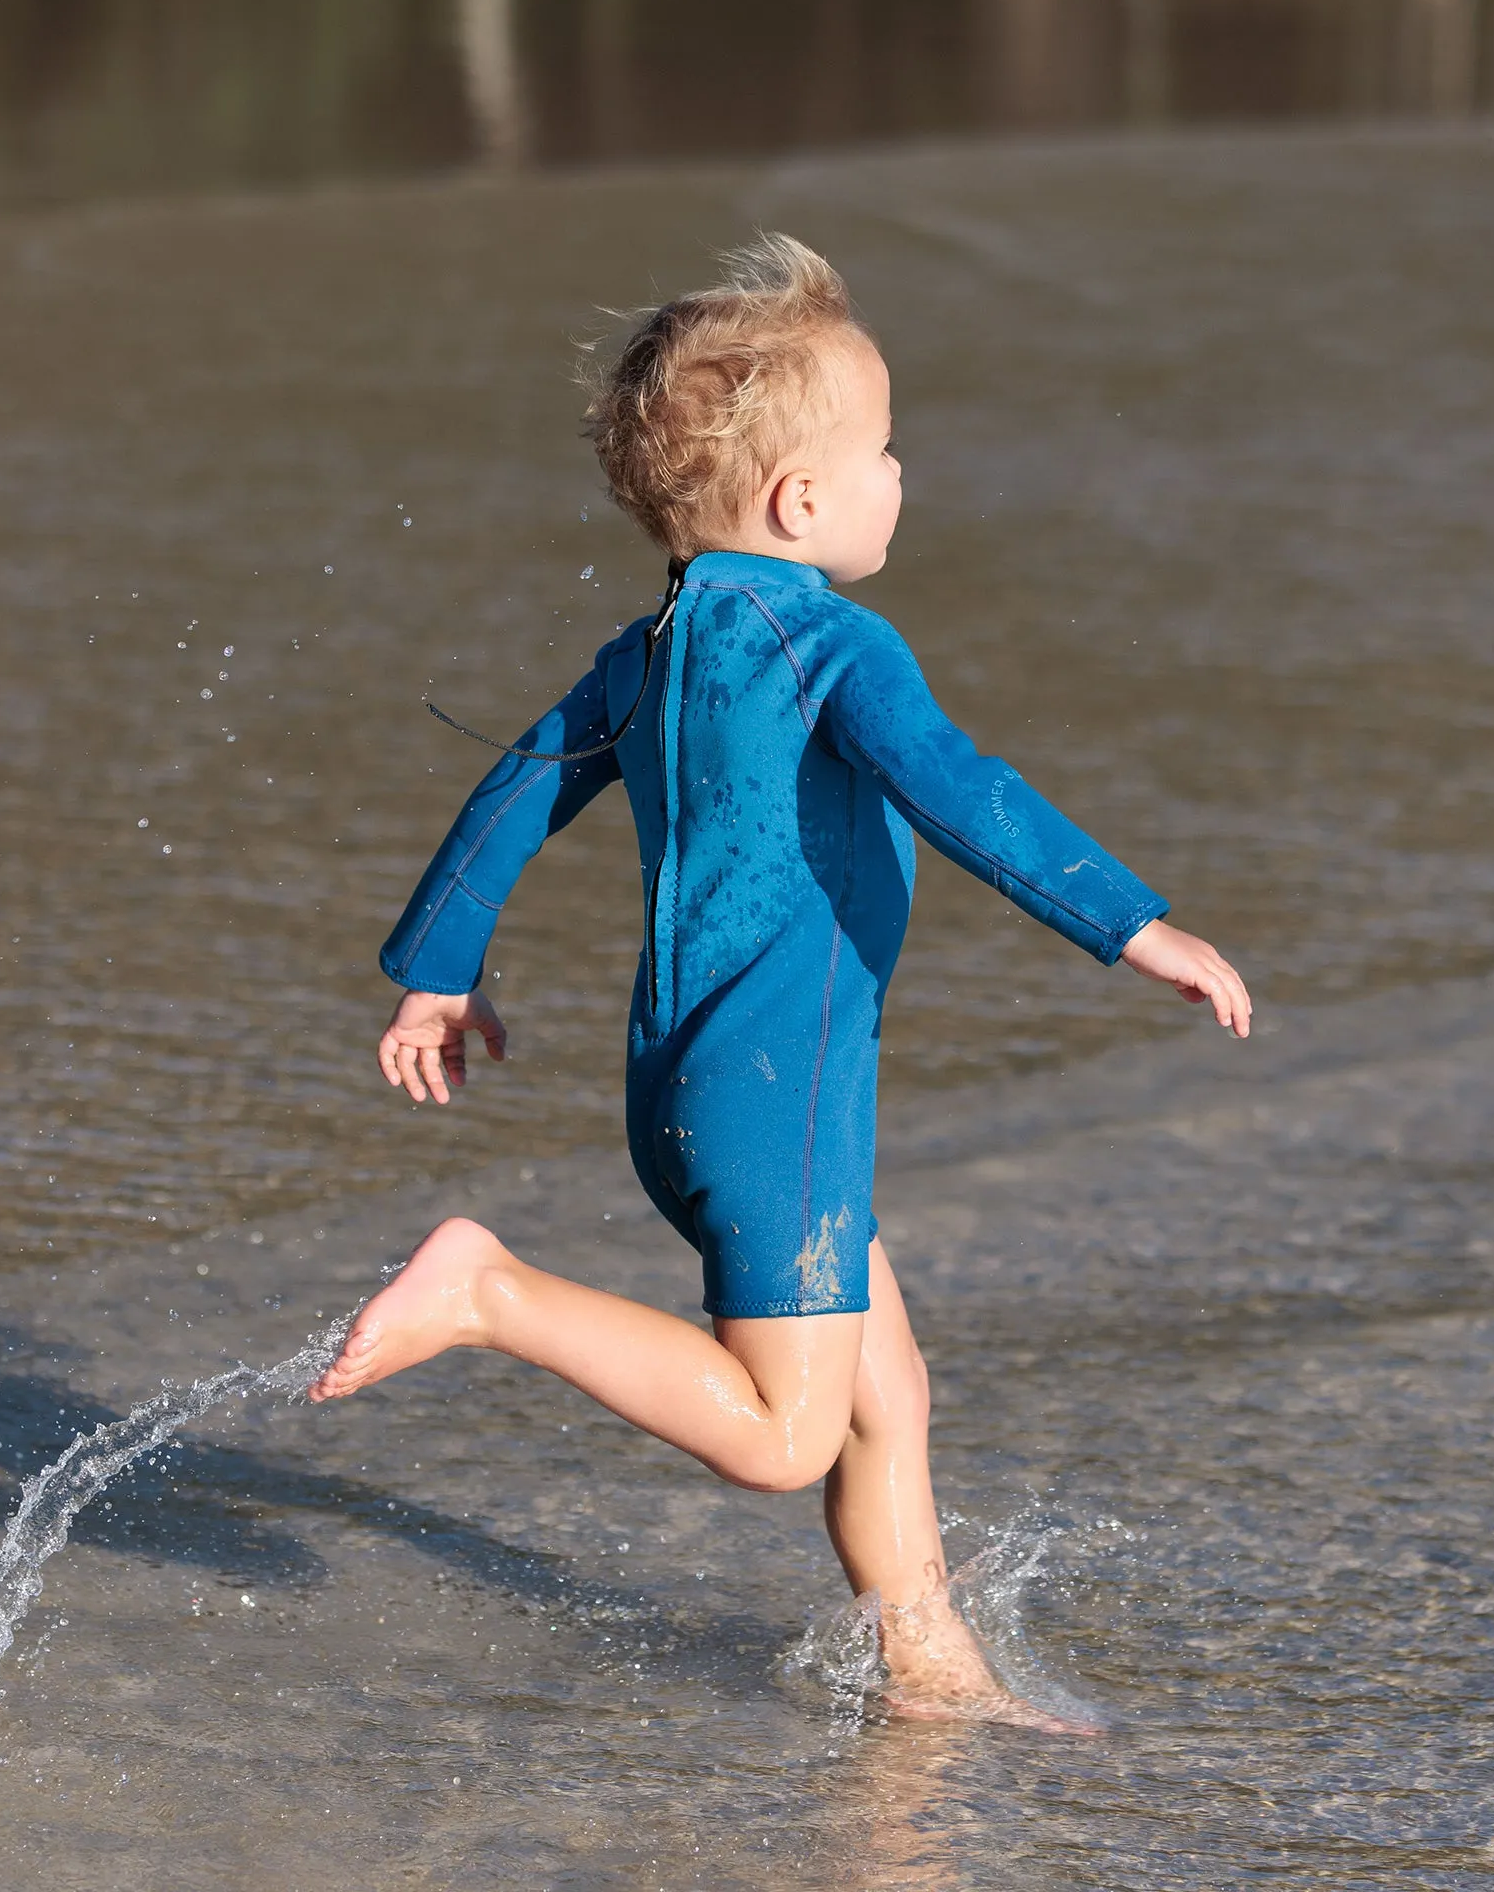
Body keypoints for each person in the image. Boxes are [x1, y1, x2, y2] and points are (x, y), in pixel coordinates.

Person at [310, 235, 1251, 1721]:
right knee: (780, 1437)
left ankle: (930, 1670)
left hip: (696, 1085)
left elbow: (515, 791)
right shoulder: (831, 643)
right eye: (884, 450)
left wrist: (441, 971)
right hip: (780, 1092)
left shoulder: (652, 648)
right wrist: (1135, 926)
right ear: (802, 499)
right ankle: (489, 1292)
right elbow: (962, 788)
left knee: (891, 1398)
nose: (901, 476)